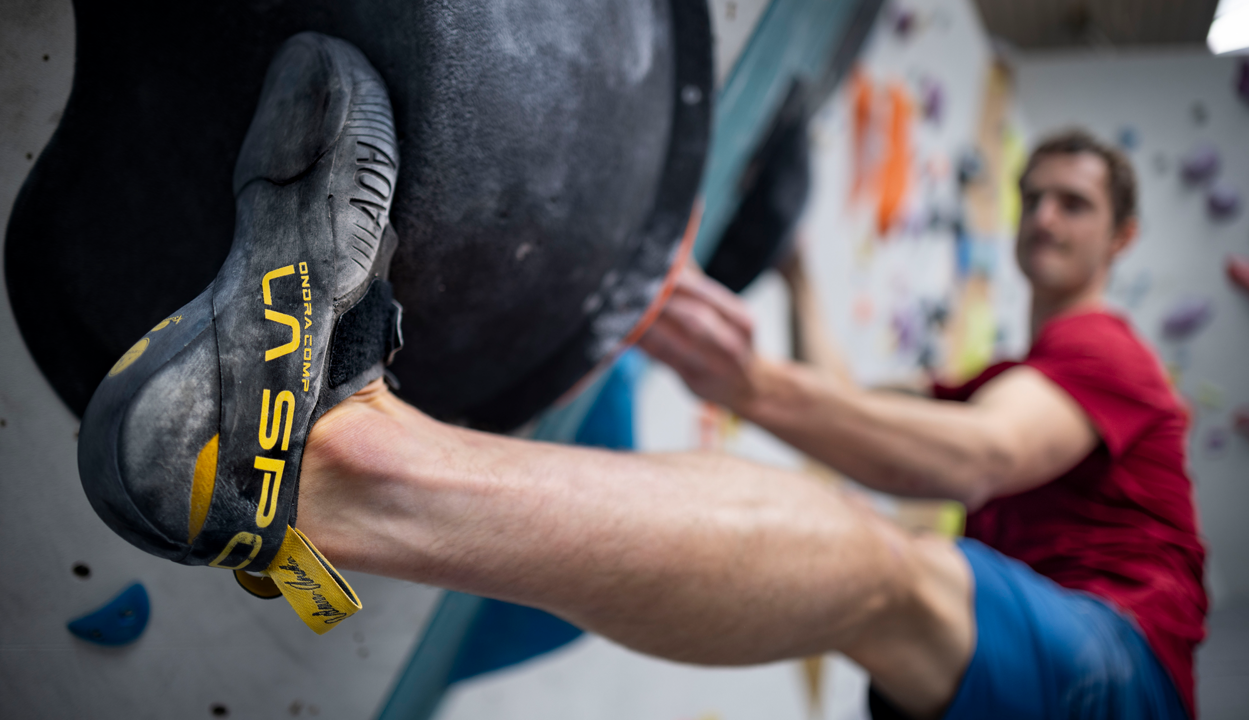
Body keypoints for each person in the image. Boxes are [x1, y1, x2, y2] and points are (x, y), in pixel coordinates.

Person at [295, 130, 1202, 719]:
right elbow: (853, 407)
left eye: (1074, 203)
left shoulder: (1105, 353)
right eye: (1033, 196)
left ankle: (337, 473)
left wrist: (751, 386)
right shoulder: (1003, 378)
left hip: (1128, 668)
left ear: (1121, 237)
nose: (1044, 217)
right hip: (1034, 666)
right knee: (878, 583)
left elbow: (977, 457)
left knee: (885, 573)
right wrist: (798, 276)